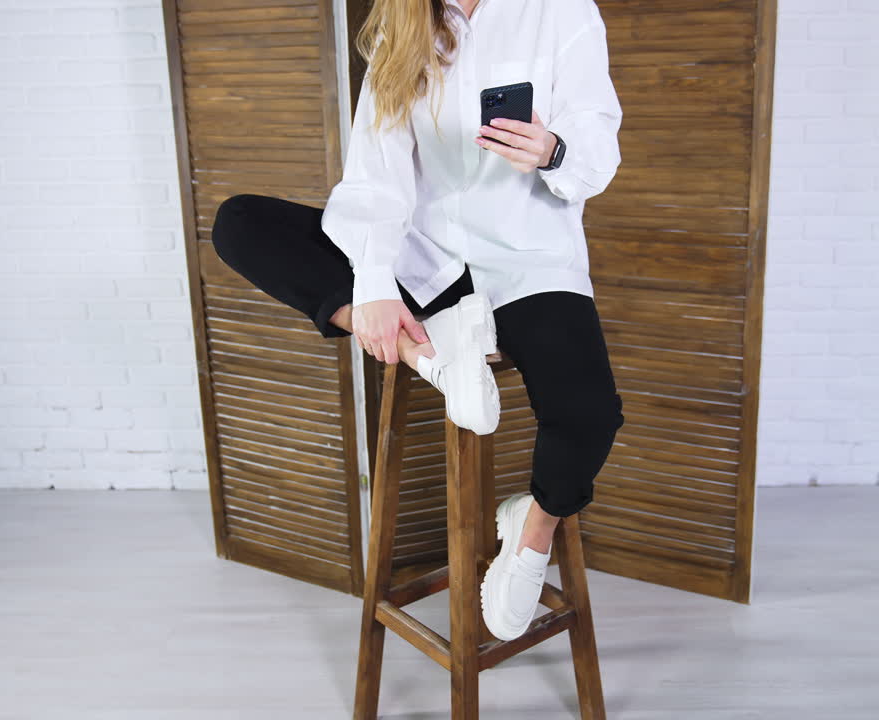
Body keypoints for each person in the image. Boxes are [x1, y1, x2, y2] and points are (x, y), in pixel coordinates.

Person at [210, 0, 624, 642]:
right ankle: (428, 354)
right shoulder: (402, 25)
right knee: (240, 222)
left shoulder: (561, 11)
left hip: (527, 261)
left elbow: (598, 152)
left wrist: (552, 150)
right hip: (423, 259)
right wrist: (373, 286)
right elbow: (374, 177)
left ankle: (532, 529)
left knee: (590, 414)